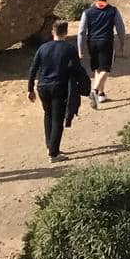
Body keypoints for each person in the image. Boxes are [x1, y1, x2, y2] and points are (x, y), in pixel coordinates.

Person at [27, 21, 90, 161]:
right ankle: (53, 154)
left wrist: (30, 89)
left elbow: (33, 68)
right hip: (59, 86)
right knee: (57, 119)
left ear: (52, 32)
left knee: (48, 115)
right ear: (66, 33)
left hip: (43, 86)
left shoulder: (43, 48)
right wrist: (83, 85)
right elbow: (76, 68)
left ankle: (50, 146)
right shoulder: (69, 49)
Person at [76, 0, 125, 108]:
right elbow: (120, 27)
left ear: (94, 2)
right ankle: (94, 91)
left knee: (98, 68)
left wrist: (80, 49)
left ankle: (101, 94)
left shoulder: (87, 12)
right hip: (107, 42)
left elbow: (81, 31)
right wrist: (122, 41)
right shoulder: (113, 11)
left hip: (92, 43)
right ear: (105, 1)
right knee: (106, 69)